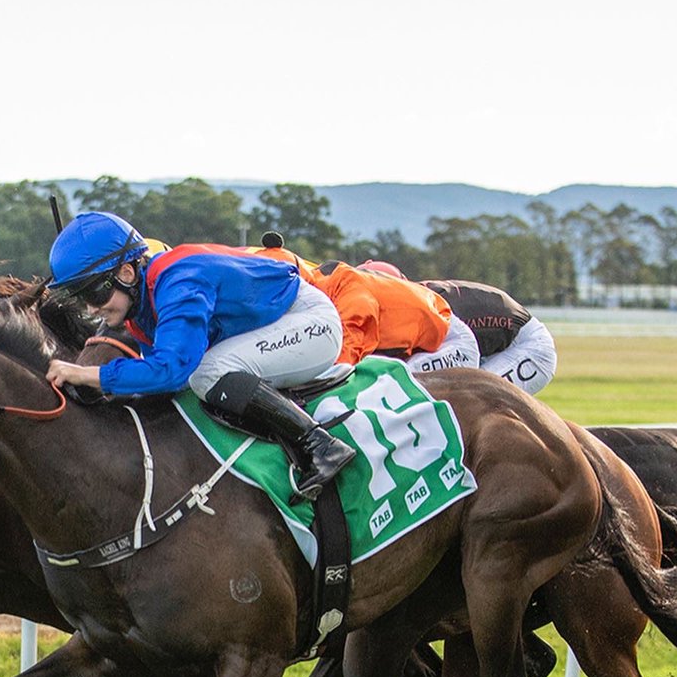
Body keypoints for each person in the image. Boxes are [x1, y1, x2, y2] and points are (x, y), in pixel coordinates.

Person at [44, 212, 355, 500]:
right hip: (275, 324)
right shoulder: (139, 308)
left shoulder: (179, 281)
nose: (91, 309)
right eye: (80, 297)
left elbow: (171, 370)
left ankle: (320, 444)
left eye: (94, 293)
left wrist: (87, 374)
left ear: (127, 272)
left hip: (311, 324)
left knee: (207, 372)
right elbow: (162, 384)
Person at [253, 239, 479, 374]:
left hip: (449, 342)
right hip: (417, 331)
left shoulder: (349, 295)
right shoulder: (320, 282)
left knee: (395, 385)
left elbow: (344, 359)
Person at [419, 278, 557, 394]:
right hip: (494, 342)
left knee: (468, 398)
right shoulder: (417, 298)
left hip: (529, 346)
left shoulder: (424, 305)